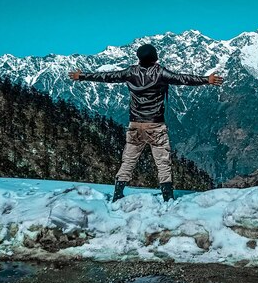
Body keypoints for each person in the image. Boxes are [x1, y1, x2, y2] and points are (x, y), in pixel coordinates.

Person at [68, 44, 223, 202]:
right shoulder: (160, 72)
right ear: (155, 57)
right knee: (163, 162)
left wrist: (81, 76)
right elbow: (182, 79)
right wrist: (207, 80)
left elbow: (107, 77)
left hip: (135, 124)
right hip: (155, 125)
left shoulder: (130, 72)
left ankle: (118, 193)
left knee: (128, 160)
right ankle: (167, 197)